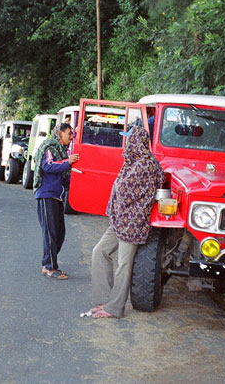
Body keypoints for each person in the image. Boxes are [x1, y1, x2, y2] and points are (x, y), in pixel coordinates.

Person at [84, 126, 164, 318]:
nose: (126, 143)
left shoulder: (145, 165)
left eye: (129, 139)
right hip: (120, 221)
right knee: (99, 252)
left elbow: (124, 192)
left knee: (124, 265)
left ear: (136, 141)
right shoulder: (133, 161)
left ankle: (115, 308)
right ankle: (104, 300)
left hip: (133, 224)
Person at [33, 123, 80, 280]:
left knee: (59, 233)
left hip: (57, 196)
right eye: (69, 133)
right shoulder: (50, 147)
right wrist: (68, 163)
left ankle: (47, 263)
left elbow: (65, 174)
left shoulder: (63, 152)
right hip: (46, 195)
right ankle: (51, 268)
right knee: (50, 232)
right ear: (60, 133)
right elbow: (48, 166)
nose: (71, 137)